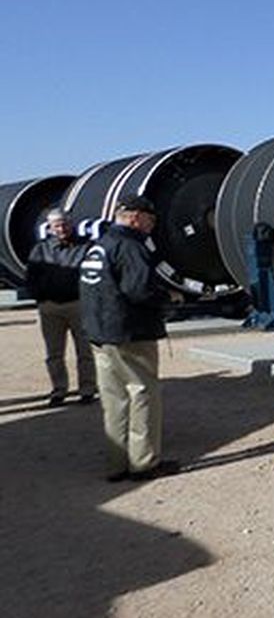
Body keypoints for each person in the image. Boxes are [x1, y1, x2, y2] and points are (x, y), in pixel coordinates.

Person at [80, 194, 177, 482]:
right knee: (143, 393)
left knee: (114, 399)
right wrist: (169, 296)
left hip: (100, 335)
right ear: (135, 217)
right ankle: (144, 463)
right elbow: (140, 290)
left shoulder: (100, 246)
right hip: (130, 334)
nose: (152, 226)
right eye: (151, 219)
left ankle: (117, 463)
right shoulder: (130, 246)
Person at [26, 207, 97, 406]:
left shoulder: (86, 246)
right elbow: (31, 277)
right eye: (56, 225)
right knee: (54, 353)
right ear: (50, 228)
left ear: (71, 224)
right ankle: (59, 390)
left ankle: (88, 388)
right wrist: (40, 298)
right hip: (50, 308)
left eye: (64, 223)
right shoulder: (40, 249)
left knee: (85, 351)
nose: (61, 228)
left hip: (78, 305)